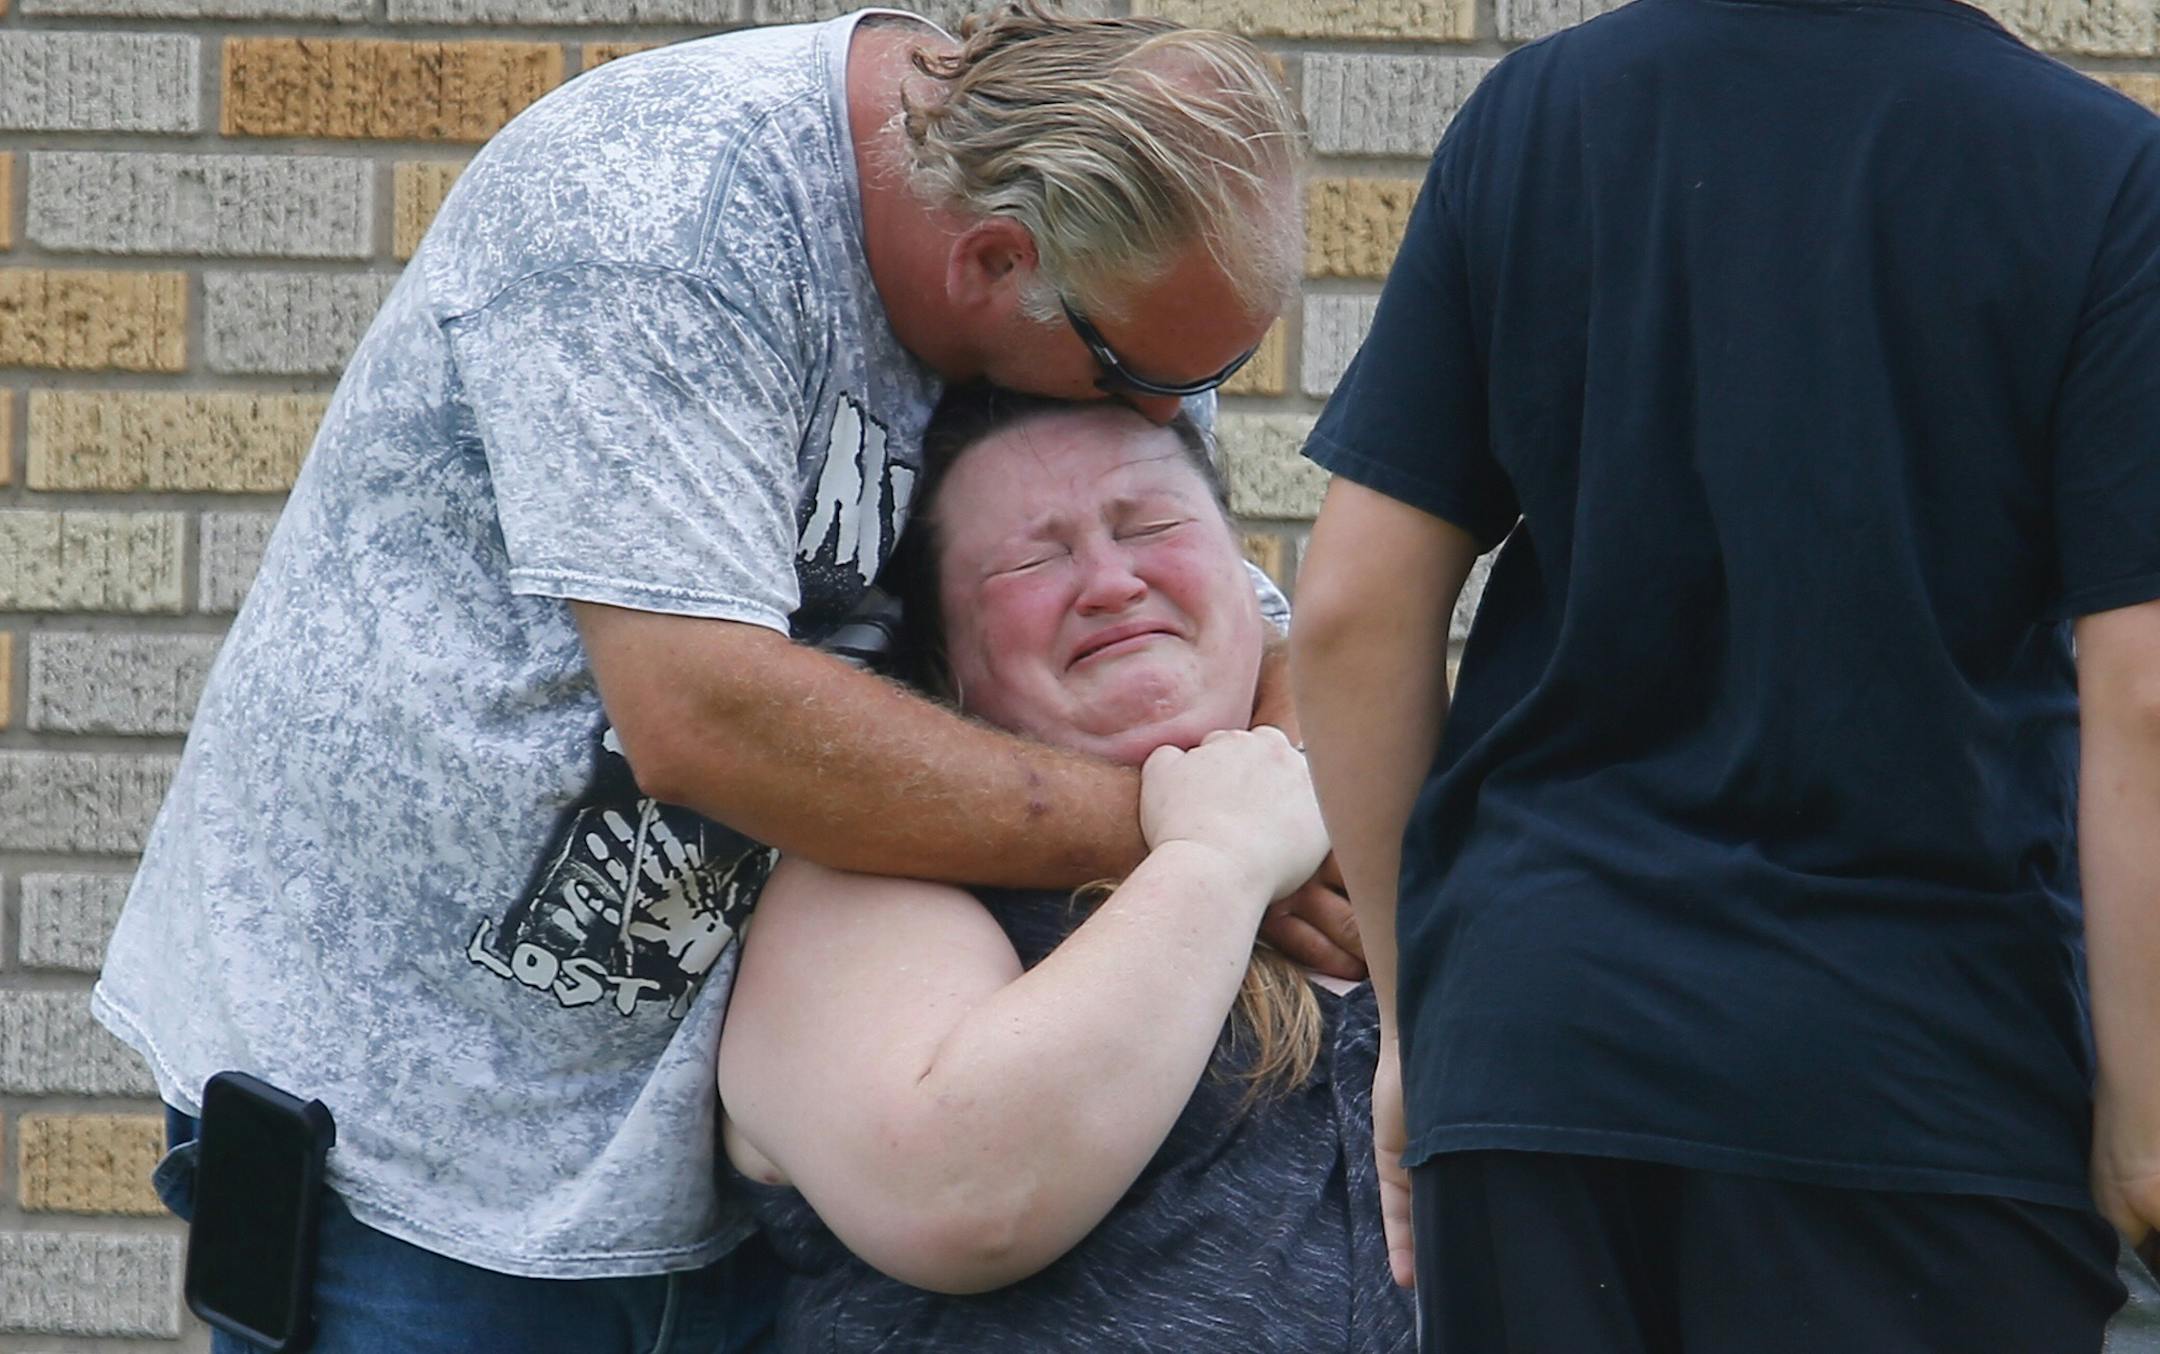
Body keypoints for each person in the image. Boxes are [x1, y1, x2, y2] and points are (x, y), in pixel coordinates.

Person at [90, 6, 1352, 1351]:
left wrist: (1302, 789)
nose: (1170, 417)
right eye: (1150, 377)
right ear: (996, 258)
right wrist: (1190, 841)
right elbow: (703, 714)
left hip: (747, 1134)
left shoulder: (1104, 283)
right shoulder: (658, 210)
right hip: (419, 1139)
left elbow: (1212, 595)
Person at [1289, 0, 2160, 1349]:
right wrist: (2147, 1108)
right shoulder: (2098, 172)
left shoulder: (1533, 120)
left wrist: (1419, 1019)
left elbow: (1347, 610)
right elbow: (2146, 694)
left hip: (1543, 1041)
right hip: (1916, 1074)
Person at [716, 387, 1416, 1353]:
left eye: (1152, 526)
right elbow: (958, 1192)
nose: (1111, 583)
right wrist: (1215, 860)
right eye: (1032, 560)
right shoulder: (871, 887)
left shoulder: (1408, 828)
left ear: (1250, 579)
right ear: (944, 658)